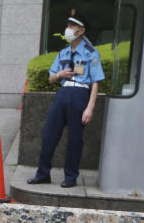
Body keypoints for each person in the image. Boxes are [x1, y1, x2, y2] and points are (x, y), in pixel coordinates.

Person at [27, 9, 104, 188]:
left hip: (80, 94)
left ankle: (70, 176)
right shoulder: (63, 53)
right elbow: (50, 78)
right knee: (48, 134)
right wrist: (59, 74)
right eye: (68, 25)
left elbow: (95, 82)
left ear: (81, 30)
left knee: (75, 139)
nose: (68, 29)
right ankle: (43, 173)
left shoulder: (91, 52)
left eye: (72, 26)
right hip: (62, 94)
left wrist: (90, 107)